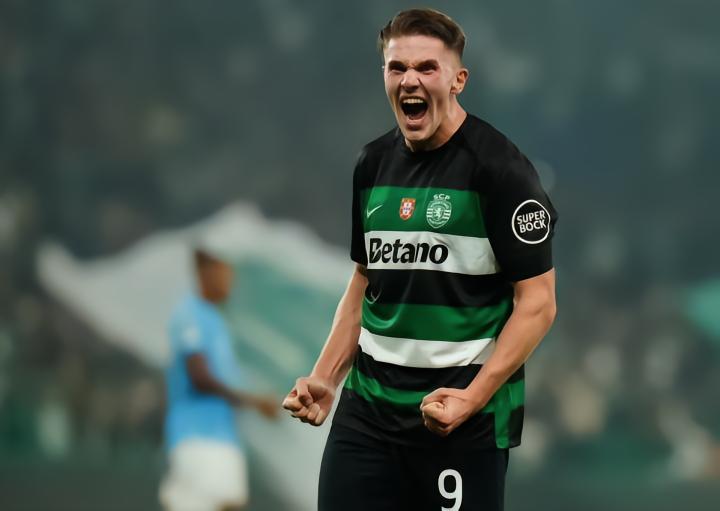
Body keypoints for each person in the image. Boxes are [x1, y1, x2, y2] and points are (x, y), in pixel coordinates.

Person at [283, 8, 557, 511]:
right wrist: (326, 376)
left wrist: (473, 397)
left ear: (458, 80)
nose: (410, 79)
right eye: (397, 67)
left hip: (458, 422)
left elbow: (538, 303)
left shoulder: (501, 171)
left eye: (427, 67)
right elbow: (364, 283)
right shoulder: (371, 165)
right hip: (367, 417)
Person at [160, 247, 279, 511]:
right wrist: (254, 401)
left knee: (229, 504)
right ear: (206, 274)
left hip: (221, 437)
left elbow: (225, 378)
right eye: (225, 274)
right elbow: (200, 378)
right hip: (198, 437)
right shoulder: (190, 314)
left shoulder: (215, 320)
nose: (230, 282)